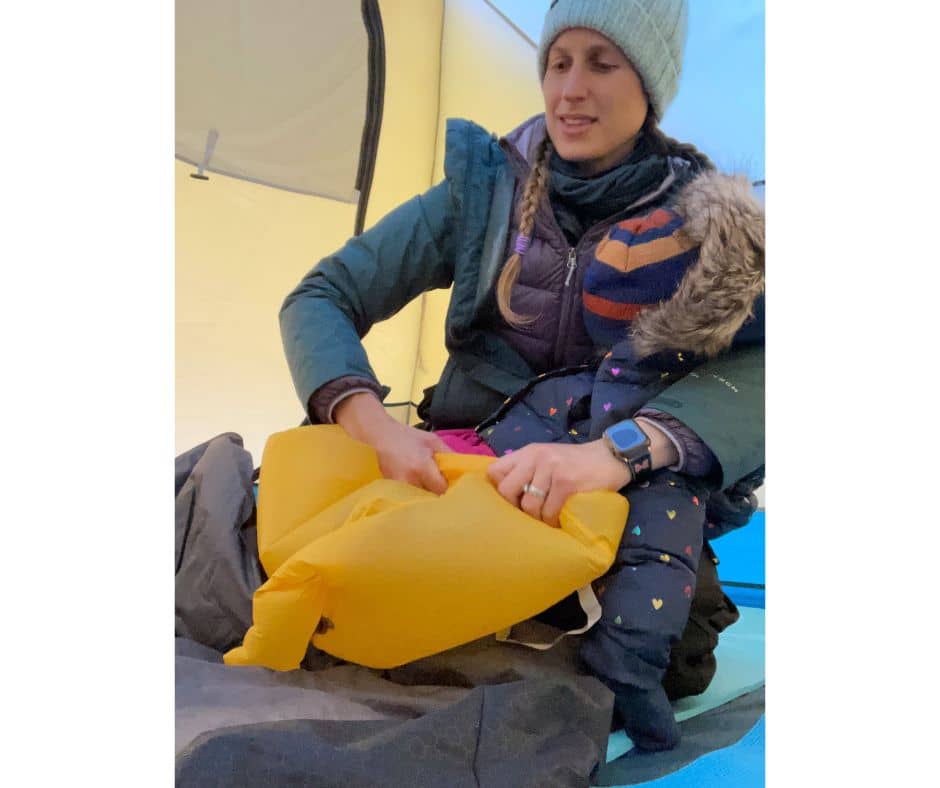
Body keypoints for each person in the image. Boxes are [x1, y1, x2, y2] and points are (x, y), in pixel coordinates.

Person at [280, 0, 763, 751]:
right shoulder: (486, 192)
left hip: (620, 506)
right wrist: (375, 430)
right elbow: (321, 297)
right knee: (285, 550)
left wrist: (615, 456)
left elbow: (770, 368)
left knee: (672, 646)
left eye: (601, 63)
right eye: (557, 62)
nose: (571, 89)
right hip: (466, 474)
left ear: (651, 84)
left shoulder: (706, 225)